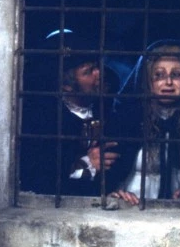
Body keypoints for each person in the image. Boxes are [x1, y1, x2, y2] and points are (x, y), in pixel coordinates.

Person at [20, 28, 120, 196]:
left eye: (97, 67)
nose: (99, 74)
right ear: (66, 86)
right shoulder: (44, 121)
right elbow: (41, 178)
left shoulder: (109, 110)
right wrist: (86, 164)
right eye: (88, 71)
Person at [109, 41, 180, 205]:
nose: (168, 82)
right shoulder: (127, 118)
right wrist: (116, 192)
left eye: (176, 75)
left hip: (178, 208)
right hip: (132, 205)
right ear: (147, 81)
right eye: (159, 75)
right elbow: (112, 171)